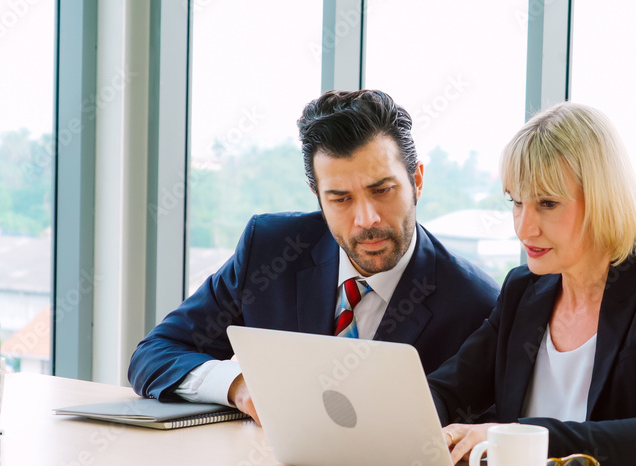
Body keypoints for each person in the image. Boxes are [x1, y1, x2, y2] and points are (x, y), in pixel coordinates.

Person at [129, 90, 499, 425]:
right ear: (317, 195)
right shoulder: (270, 251)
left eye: (382, 190)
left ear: (416, 181)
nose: (366, 219)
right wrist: (241, 386)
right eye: (340, 199)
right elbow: (155, 354)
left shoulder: (476, 302)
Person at [429, 102, 636, 466]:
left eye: (547, 203)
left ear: (602, 201)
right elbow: (448, 391)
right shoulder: (523, 290)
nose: (524, 227)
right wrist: (412, 423)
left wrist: (519, 438)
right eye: (517, 202)